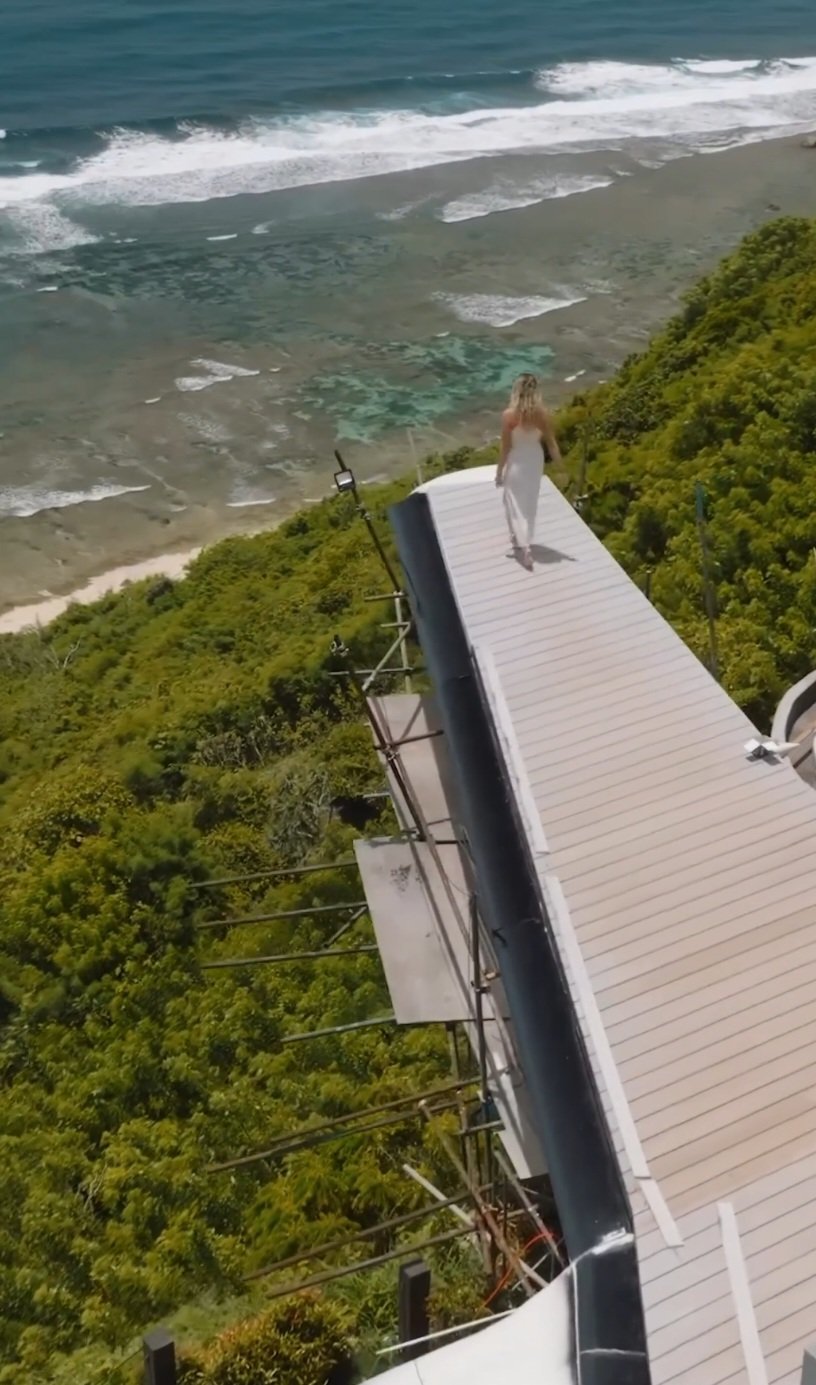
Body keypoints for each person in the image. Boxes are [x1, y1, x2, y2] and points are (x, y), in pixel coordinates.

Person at [495, 374, 561, 570]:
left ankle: (522, 545)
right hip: (535, 459)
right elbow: (551, 444)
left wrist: (499, 471)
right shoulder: (542, 414)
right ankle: (523, 540)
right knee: (529, 502)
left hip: (517, 459)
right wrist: (561, 468)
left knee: (512, 500)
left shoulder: (509, 415)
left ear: (516, 391)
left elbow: (505, 447)